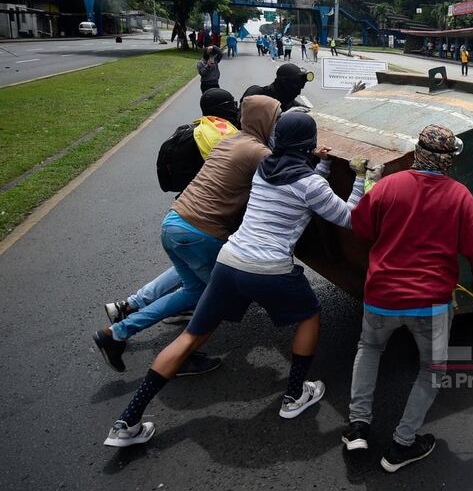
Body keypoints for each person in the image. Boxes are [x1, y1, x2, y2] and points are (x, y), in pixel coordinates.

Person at [103, 112, 367, 448]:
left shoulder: (264, 169)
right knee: (310, 315)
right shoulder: (310, 184)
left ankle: (126, 422)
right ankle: (294, 395)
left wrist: (322, 166)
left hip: (229, 261)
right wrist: (358, 178)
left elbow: (301, 187)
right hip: (270, 267)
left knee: (191, 337)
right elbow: (350, 218)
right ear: (309, 144)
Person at [342, 124, 473, 473]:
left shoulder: (388, 186)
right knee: (432, 369)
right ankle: (402, 444)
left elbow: (361, 227)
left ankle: (358, 428)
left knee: (369, 350)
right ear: (447, 161)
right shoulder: (459, 196)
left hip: (380, 296)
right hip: (430, 303)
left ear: (418, 152)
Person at [93, 96, 282, 375]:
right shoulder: (259, 153)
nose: (277, 124)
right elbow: (286, 182)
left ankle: (117, 332)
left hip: (174, 223)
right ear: (264, 120)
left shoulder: (231, 140)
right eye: (276, 118)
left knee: (193, 292)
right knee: (220, 299)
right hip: (201, 233)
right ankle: (181, 357)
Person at [106, 88, 242, 340]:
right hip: (206, 222)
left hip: (180, 215)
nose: (235, 108)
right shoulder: (223, 137)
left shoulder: (198, 130)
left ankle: (128, 308)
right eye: (231, 104)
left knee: (190, 276)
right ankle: (177, 353)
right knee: (217, 293)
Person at [243, 62, 315, 112]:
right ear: (283, 84)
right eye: (295, 88)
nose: (298, 93)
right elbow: (243, 124)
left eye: (300, 88)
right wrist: (280, 117)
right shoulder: (256, 94)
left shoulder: (290, 103)